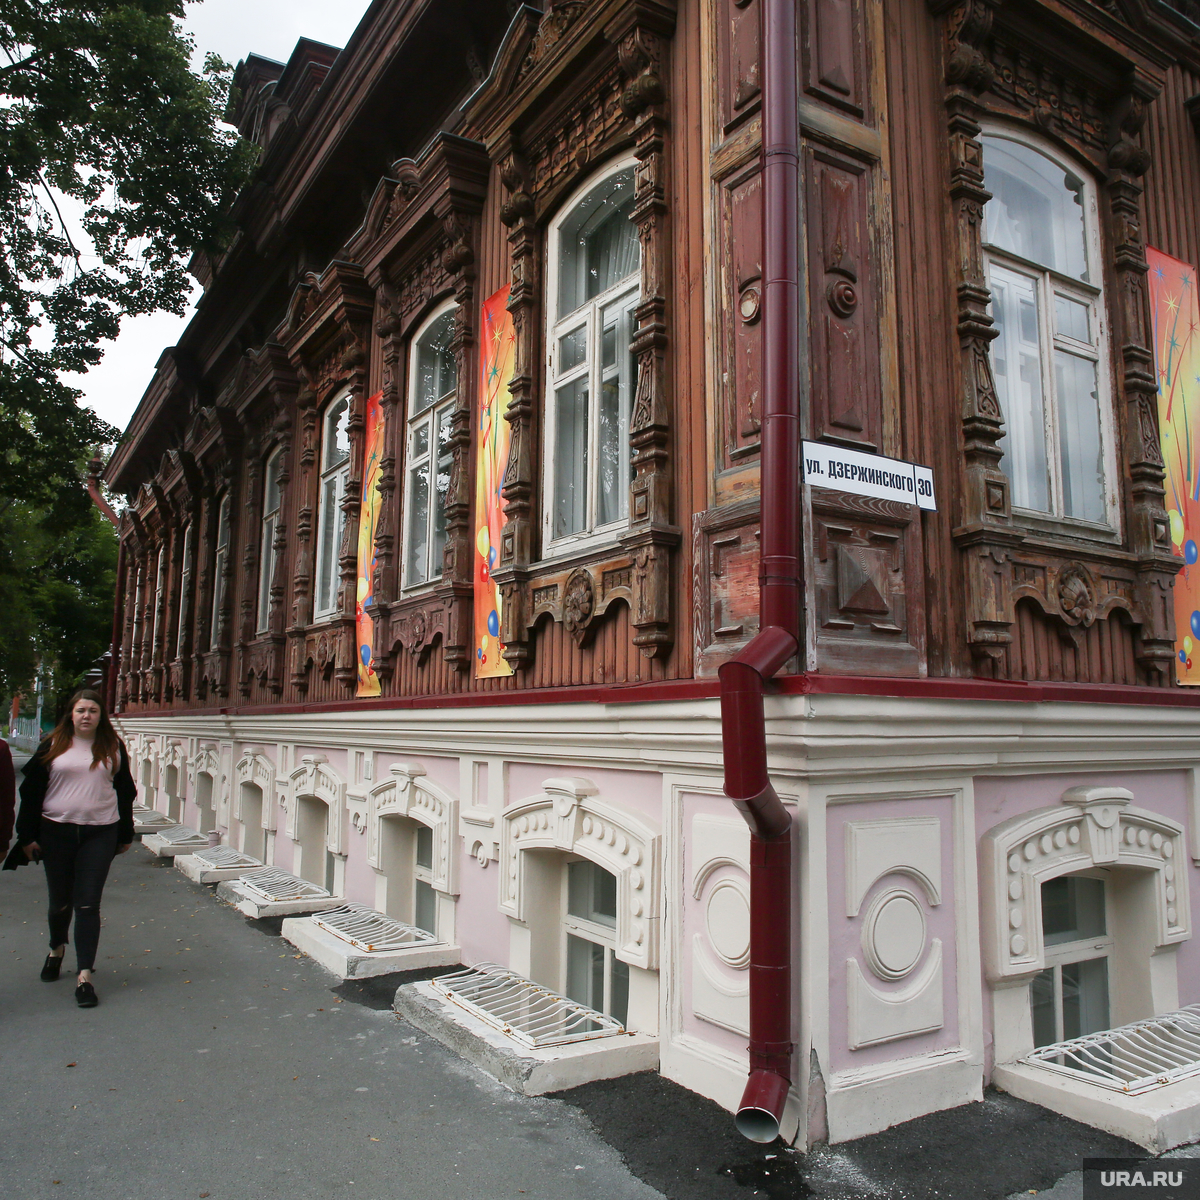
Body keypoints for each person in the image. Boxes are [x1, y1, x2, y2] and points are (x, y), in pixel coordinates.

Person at [14, 689, 136, 1007]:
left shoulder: (112, 746)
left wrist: (126, 833)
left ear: (101, 716)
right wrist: (26, 837)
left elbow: (125, 793)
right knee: (60, 904)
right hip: (56, 832)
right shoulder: (53, 745)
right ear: (71, 713)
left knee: (87, 905)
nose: (87, 716)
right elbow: (30, 793)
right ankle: (56, 949)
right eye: (81, 710)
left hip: (100, 834)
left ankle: (84, 977)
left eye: (93, 710)